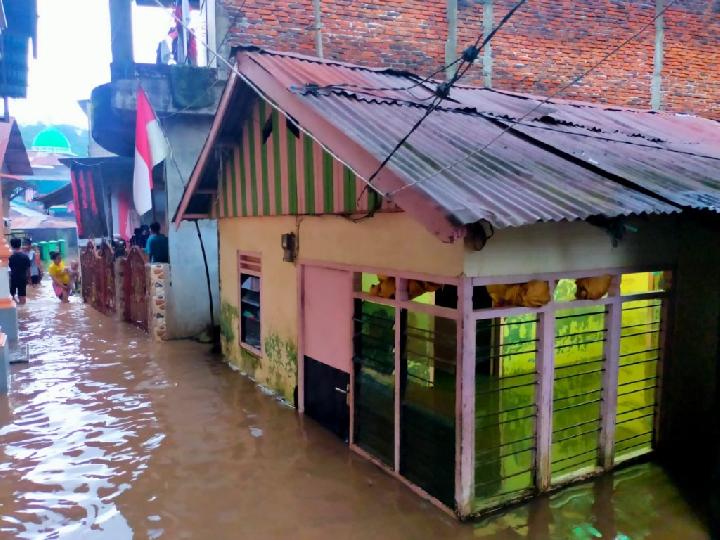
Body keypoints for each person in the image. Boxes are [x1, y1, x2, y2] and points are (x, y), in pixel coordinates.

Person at [8, 238, 30, 305]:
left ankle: (16, 306)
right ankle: (23, 308)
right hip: (23, 278)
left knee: (11, 295)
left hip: (13, 278)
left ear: (11, 245)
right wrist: (29, 279)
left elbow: (8, 268)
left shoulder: (10, 256)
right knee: (22, 295)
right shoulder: (25, 256)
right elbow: (28, 269)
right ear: (20, 245)